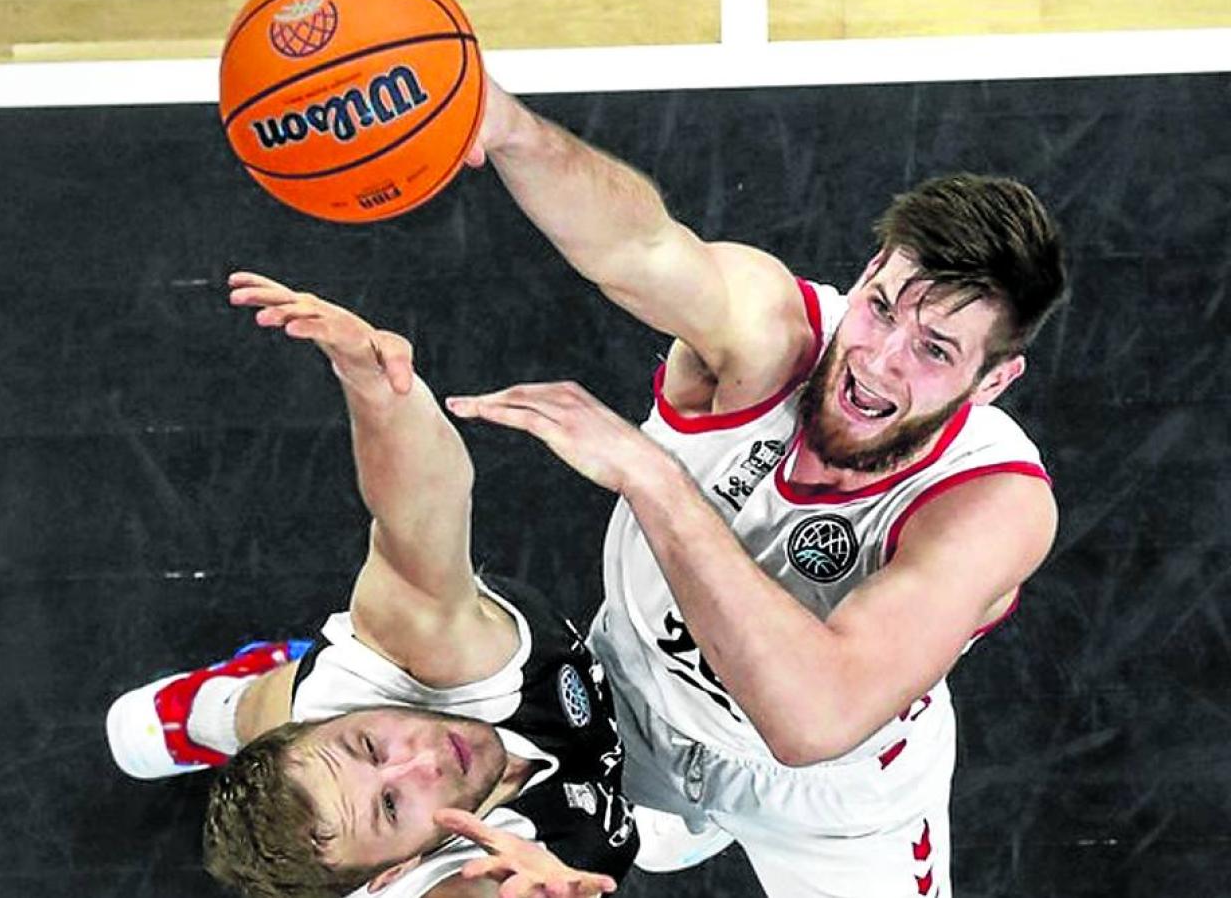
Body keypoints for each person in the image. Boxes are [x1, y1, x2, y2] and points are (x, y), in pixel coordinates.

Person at [443, 80, 1068, 897]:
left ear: (992, 382)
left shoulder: (991, 502)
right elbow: (639, 249)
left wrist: (650, 476)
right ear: (868, 273)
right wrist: (514, 131)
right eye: (882, 308)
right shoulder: (772, 336)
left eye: (935, 350)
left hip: (832, 800)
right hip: (632, 703)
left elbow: (813, 718)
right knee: (434, 835)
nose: (879, 361)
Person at [105, 272, 636, 898]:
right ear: (394, 874)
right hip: (647, 786)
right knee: (674, 829)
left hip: (376, 687)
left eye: (369, 745)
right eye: (390, 806)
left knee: (277, 709)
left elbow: (422, 510)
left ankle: (212, 710)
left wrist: (375, 391)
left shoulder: (415, 658)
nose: (423, 761)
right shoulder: (471, 879)